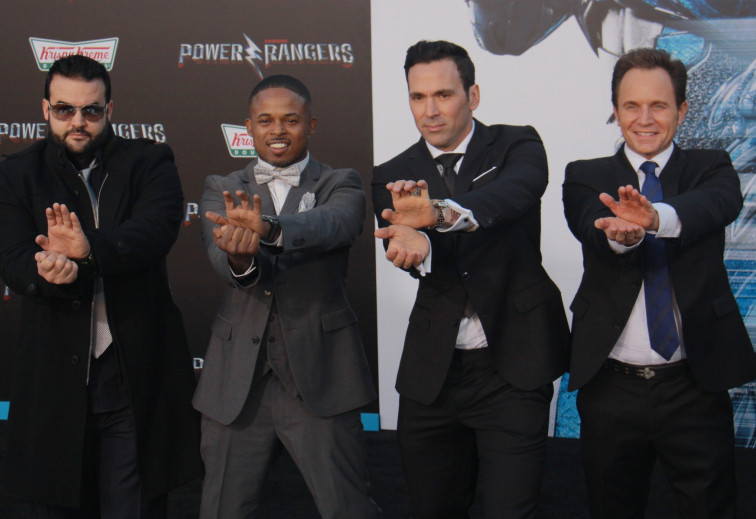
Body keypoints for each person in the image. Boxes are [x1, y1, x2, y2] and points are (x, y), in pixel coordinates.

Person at [0, 55, 201, 517]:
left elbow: (156, 231)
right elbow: (12, 258)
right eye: (65, 110)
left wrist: (89, 250)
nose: (78, 122)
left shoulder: (150, 161)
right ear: (45, 110)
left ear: (110, 109)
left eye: (91, 110)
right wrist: (48, 269)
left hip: (135, 372)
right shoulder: (12, 175)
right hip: (56, 380)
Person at [371, 40, 569, 518]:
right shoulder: (391, 175)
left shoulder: (516, 144)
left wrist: (439, 214)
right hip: (433, 375)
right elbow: (402, 242)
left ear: (473, 95)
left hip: (513, 366)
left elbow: (515, 194)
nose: (430, 110)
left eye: (443, 95)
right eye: (418, 97)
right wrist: (415, 249)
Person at [563, 47, 756, 518]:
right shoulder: (586, 175)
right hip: (610, 388)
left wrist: (655, 219)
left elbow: (716, 205)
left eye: (659, 105)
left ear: (682, 110)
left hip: (695, 383)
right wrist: (623, 237)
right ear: (615, 110)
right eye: (631, 105)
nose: (644, 118)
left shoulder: (711, 167)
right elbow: (591, 224)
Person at [193, 74, 380, 519]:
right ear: (249, 127)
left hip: (322, 379)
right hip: (236, 386)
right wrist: (241, 260)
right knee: (221, 510)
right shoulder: (222, 186)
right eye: (266, 120)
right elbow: (226, 265)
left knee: (348, 509)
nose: (278, 130)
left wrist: (272, 230)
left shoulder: (341, 183)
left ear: (310, 125)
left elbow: (335, 224)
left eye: (290, 120)